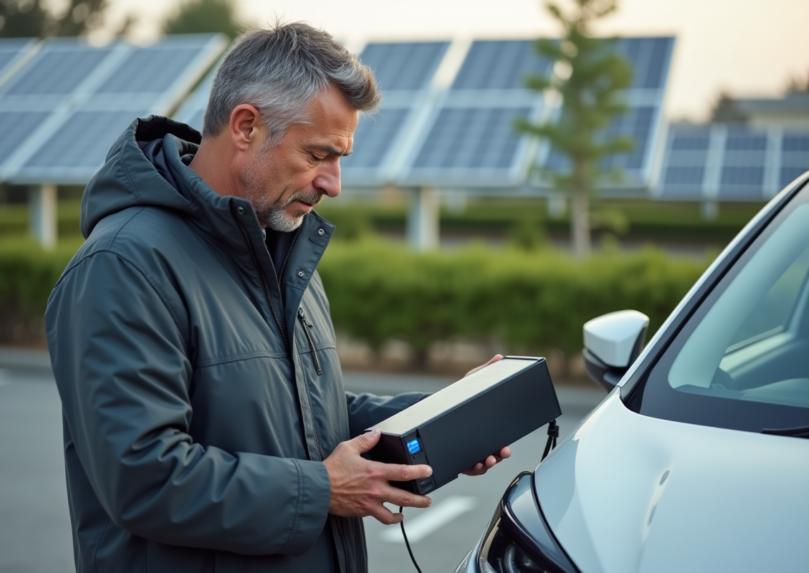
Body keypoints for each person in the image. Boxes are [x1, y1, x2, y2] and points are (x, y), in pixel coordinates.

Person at [45, 22, 509, 573]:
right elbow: (143, 477)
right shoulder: (123, 265)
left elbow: (303, 414)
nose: (334, 183)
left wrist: (440, 419)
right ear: (246, 127)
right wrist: (322, 489)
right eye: (317, 155)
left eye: (340, 159)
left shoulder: (280, 246)